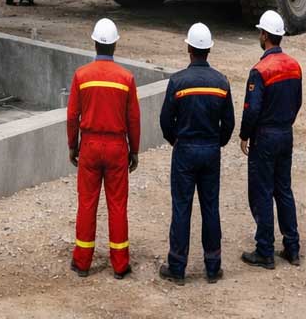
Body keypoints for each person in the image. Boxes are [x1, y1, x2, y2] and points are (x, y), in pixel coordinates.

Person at [158, 22, 234, 286]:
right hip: (210, 150)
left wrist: (176, 141)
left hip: (185, 151)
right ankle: (213, 266)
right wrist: (216, 143)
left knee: (182, 207)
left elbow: (166, 121)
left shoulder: (178, 81)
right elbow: (230, 123)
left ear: (189, 48)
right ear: (209, 50)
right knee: (210, 206)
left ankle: (177, 267)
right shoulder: (221, 82)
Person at [66, 18, 141, 280]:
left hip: (89, 145)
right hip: (117, 147)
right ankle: (120, 264)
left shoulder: (82, 76)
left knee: (87, 203)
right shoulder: (126, 78)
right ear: (115, 45)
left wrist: (72, 146)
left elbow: (73, 115)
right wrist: (134, 150)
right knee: (117, 205)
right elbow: (133, 119)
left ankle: (82, 262)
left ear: (94, 42)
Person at [240, 9, 303, 269]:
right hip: (285, 133)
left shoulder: (260, 70)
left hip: (265, 137)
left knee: (263, 192)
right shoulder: (295, 66)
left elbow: (252, 109)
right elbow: (298, 102)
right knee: (283, 190)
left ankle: (265, 250)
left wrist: (245, 135)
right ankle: (292, 247)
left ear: (265, 35)